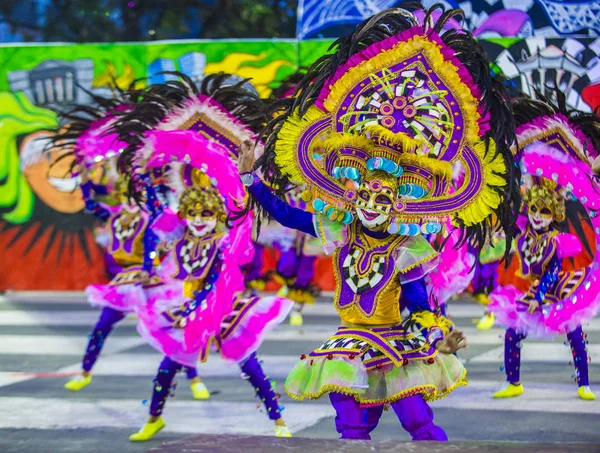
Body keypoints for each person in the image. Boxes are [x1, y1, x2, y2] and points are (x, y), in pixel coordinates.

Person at [237, 5, 520, 440]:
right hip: (348, 345)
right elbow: (285, 214)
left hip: (394, 345)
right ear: (352, 193)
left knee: (417, 422)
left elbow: (421, 306)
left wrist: (437, 338)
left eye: (383, 198)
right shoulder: (339, 229)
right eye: (366, 194)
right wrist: (250, 178)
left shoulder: (405, 250)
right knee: (351, 424)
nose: (372, 203)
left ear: (398, 205)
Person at [111, 73, 293, 441]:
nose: (197, 221)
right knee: (167, 368)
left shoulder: (227, 239)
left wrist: (241, 185)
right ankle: (153, 418)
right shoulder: (178, 239)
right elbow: (156, 216)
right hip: (189, 307)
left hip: (224, 307)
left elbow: (241, 223)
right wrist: (143, 176)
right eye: (192, 215)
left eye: (205, 215)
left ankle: (279, 421)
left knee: (250, 365)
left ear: (215, 215)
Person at [489, 90, 600, 401]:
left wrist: (540, 297)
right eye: (535, 211)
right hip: (533, 288)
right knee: (513, 332)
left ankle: (584, 384)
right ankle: (514, 382)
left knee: (574, 332)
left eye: (545, 212)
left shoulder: (562, 240)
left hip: (559, 287)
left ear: (555, 214)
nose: (538, 217)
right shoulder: (527, 228)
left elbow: (553, 268)